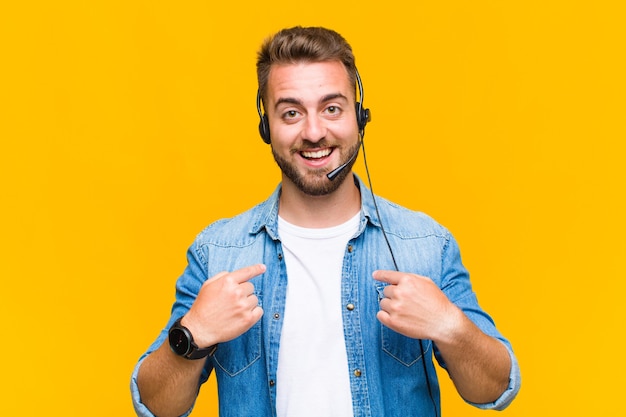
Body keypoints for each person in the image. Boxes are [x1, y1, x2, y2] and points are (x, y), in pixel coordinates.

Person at [131, 26, 520, 417]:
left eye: (331, 108)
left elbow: (494, 389)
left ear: (359, 115)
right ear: (267, 127)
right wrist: (192, 335)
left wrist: (448, 325)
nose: (314, 132)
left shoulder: (424, 245)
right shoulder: (217, 252)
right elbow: (155, 406)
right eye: (291, 113)